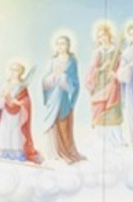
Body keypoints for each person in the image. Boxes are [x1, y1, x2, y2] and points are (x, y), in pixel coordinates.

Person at [42, 34, 86, 164]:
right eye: (58, 44)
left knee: (64, 125)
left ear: (68, 45)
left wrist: (64, 78)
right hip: (52, 98)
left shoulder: (72, 61)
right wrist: (53, 78)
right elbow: (44, 80)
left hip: (64, 98)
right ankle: (54, 153)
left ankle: (66, 152)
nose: (61, 46)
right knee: (52, 124)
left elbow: (75, 82)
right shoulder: (52, 61)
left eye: (63, 43)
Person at [0, 62, 43, 164]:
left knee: (16, 131)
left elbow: (26, 100)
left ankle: (16, 152)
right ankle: (4, 150)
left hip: (17, 113)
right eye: (12, 69)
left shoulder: (22, 86)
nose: (13, 72)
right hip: (6, 113)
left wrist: (19, 103)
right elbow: (0, 100)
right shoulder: (6, 85)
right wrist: (5, 99)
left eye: (16, 70)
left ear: (20, 72)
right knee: (5, 129)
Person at [85, 23, 124, 145]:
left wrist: (116, 73)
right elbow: (91, 70)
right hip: (100, 84)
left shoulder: (117, 51)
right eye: (100, 36)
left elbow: (121, 65)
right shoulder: (97, 52)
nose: (103, 38)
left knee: (113, 110)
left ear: (109, 35)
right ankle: (102, 141)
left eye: (104, 35)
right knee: (100, 110)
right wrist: (102, 68)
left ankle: (118, 140)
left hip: (112, 84)